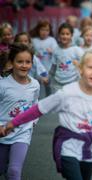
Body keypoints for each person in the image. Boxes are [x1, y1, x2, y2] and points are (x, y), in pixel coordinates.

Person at [0, 49, 92, 180]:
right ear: (80, 68)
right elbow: (38, 109)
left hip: (90, 151)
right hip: (69, 149)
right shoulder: (67, 93)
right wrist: (13, 123)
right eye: (90, 67)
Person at [0, 43, 40, 180]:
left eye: (28, 62)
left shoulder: (35, 85)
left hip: (22, 133)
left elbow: (35, 105)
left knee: (14, 171)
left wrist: (34, 121)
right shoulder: (3, 85)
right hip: (2, 133)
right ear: (12, 62)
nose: (24, 65)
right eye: (20, 61)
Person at [49, 23, 84, 93]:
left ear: (71, 35)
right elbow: (53, 66)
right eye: (62, 34)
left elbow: (85, 63)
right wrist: (48, 77)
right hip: (57, 84)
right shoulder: (56, 50)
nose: (65, 36)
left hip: (72, 83)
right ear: (59, 35)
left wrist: (79, 65)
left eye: (67, 34)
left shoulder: (76, 50)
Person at [29, 20, 58, 96]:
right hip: (36, 70)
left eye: (47, 30)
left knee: (48, 86)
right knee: (37, 87)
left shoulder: (52, 40)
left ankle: (49, 100)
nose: (44, 32)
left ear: (50, 31)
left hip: (48, 68)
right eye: (42, 29)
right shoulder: (34, 40)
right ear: (38, 30)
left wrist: (52, 52)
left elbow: (57, 54)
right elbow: (30, 53)